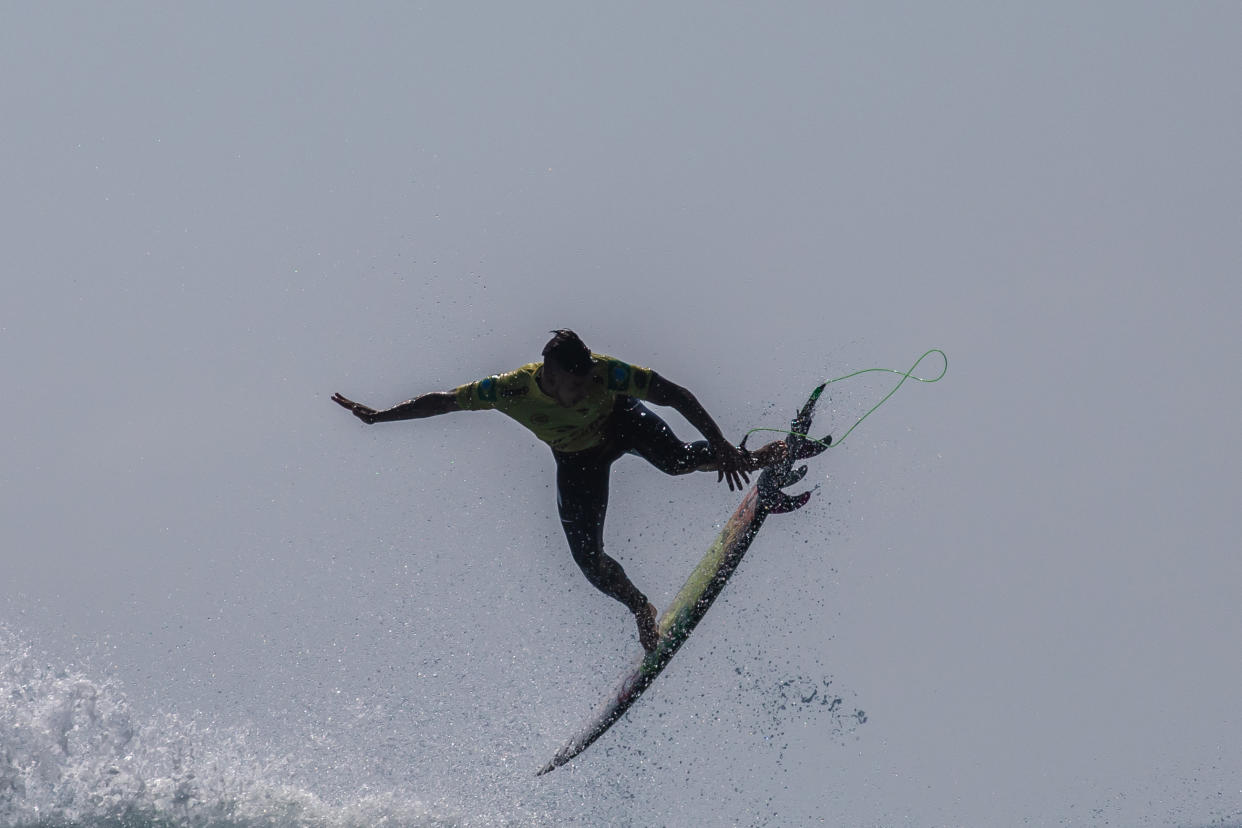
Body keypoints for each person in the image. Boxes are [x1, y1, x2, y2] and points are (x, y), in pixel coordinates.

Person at [332, 329, 787, 653]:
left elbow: (675, 394)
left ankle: (765, 457)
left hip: (622, 423)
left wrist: (725, 446)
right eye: (576, 382)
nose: (587, 385)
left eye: (589, 377)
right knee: (589, 560)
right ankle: (639, 609)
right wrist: (379, 417)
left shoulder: (607, 374)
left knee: (676, 460)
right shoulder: (508, 389)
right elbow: (444, 401)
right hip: (577, 460)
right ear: (549, 374)